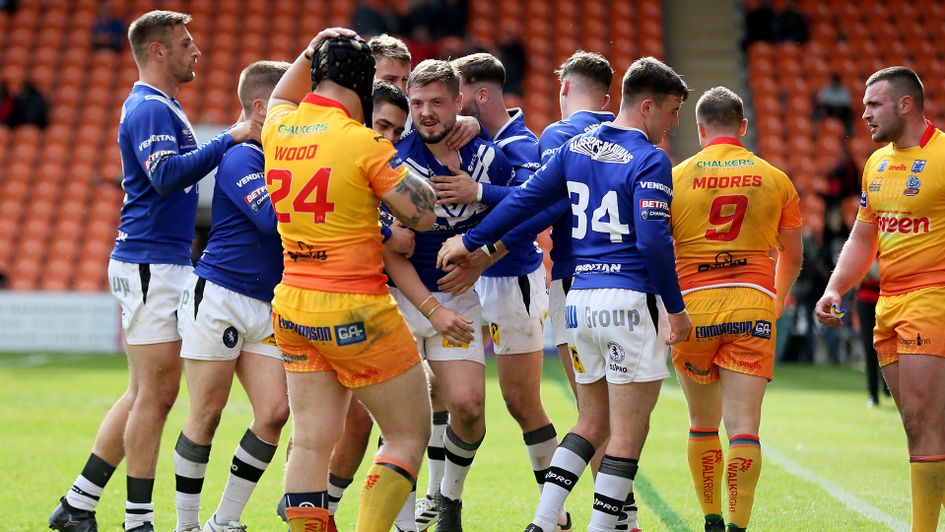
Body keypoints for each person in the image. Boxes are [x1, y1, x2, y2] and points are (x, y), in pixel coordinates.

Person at [438, 56, 692, 532]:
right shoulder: (651, 158)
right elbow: (655, 239)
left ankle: (542, 522)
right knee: (626, 431)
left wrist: (471, 241)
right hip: (629, 298)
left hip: (577, 300)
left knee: (589, 422)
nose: (674, 123)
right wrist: (675, 310)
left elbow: (524, 200)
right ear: (649, 105)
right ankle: (605, 527)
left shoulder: (575, 147)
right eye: (674, 111)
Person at [49, 10, 260, 532]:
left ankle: (78, 504)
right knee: (155, 395)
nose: (197, 51)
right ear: (159, 51)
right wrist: (230, 139)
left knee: (147, 393)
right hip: (149, 262)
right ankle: (136, 519)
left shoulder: (163, 106)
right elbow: (165, 176)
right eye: (187, 43)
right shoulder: (147, 108)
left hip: (158, 261)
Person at [262, 32, 437, 532]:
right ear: (365, 85)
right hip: (356, 306)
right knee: (407, 434)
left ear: (316, 75)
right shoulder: (364, 143)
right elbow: (421, 216)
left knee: (312, 440)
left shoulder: (280, 127)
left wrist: (310, 48)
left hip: (293, 303)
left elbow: (278, 95)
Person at [384, 58, 515, 531]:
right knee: (402, 422)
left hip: (456, 300)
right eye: (417, 103)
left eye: (437, 102)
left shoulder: (484, 156)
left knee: (469, 407)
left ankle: (448, 502)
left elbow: (527, 211)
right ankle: (400, 523)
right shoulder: (396, 159)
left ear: (457, 102)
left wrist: (485, 256)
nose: (426, 113)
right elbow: (391, 253)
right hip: (402, 300)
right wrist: (432, 310)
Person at [815, 66, 945, 532]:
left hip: (933, 298)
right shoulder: (876, 164)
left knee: (922, 421)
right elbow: (862, 237)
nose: (864, 113)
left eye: (874, 105)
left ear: (905, 105)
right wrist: (834, 288)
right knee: (919, 421)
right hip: (888, 303)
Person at [670, 86, 803, 532]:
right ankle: (738, 526)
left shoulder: (676, 177)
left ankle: (710, 519)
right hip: (752, 304)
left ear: (701, 128)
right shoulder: (776, 178)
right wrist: (778, 297)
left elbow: (656, 245)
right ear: (743, 127)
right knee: (744, 426)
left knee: (702, 423)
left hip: (693, 309)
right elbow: (793, 254)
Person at [448, 51, 566, 529]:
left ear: (480, 94)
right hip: (464, 285)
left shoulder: (522, 142)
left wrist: (477, 193)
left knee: (521, 401)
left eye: (459, 96)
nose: (453, 107)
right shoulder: (466, 138)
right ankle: (447, 503)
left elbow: (534, 201)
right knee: (456, 398)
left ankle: (555, 514)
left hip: (511, 280)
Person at [171, 60, 289, 532]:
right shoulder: (244, 155)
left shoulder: (278, 156)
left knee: (275, 413)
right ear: (262, 108)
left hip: (267, 303)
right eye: (289, 105)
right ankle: (186, 525)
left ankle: (227, 520)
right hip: (219, 297)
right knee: (207, 414)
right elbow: (271, 222)